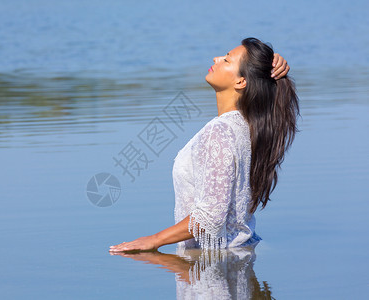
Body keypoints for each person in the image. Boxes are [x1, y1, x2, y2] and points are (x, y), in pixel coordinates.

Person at [109, 37, 298, 253]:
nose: (216, 59)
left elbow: (210, 217)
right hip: (237, 253)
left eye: (226, 60)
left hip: (212, 266)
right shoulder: (247, 128)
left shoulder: (221, 132)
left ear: (241, 81)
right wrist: (268, 65)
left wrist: (154, 240)